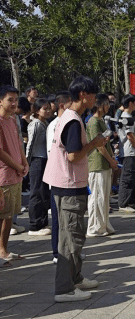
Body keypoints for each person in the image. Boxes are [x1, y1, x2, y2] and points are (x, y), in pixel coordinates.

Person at [43, 76, 108, 302]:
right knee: (70, 239)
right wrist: (94, 144)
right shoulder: (72, 121)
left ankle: (75, 278)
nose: (95, 99)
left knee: (75, 235)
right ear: (83, 95)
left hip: (67, 184)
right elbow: (73, 156)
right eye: (93, 94)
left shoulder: (69, 117)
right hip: (68, 186)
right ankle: (65, 289)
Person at [0, 85, 29, 267]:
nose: (14, 103)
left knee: (9, 215)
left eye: (15, 100)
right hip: (4, 175)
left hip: (16, 174)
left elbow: (18, 144)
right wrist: (17, 165)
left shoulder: (12, 120)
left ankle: (3, 249)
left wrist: (24, 162)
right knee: (2, 215)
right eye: (10, 100)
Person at [86, 94, 117, 236]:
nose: (108, 107)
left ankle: (103, 224)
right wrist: (111, 161)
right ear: (99, 105)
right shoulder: (93, 122)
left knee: (104, 197)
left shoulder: (101, 121)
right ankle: (95, 227)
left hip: (104, 164)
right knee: (97, 196)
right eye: (106, 104)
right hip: (97, 164)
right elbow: (98, 146)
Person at [46, 91, 72, 264]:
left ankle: (67, 250)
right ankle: (57, 252)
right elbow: (53, 153)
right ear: (62, 105)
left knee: (67, 219)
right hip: (58, 178)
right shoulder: (55, 125)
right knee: (57, 218)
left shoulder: (68, 122)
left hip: (67, 178)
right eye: (70, 103)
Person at [27, 98, 52, 235]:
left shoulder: (45, 123)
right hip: (36, 160)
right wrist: (27, 162)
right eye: (44, 108)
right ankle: (35, 224)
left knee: (43, 192)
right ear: (37, 111)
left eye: (49, 108)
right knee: (36, 192)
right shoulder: (35, 124)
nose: (48, 111)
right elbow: (30, 145)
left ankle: (43, 222)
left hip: (44, 160)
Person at [117, 94, 135, 213]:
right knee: (128, 178)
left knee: (134, 177)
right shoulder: (126, 117)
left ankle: (131, 202)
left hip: (133, 152)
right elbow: (130, 136)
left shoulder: (129, 117)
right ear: (130, 103)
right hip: (129, 152)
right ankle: (123, 203)